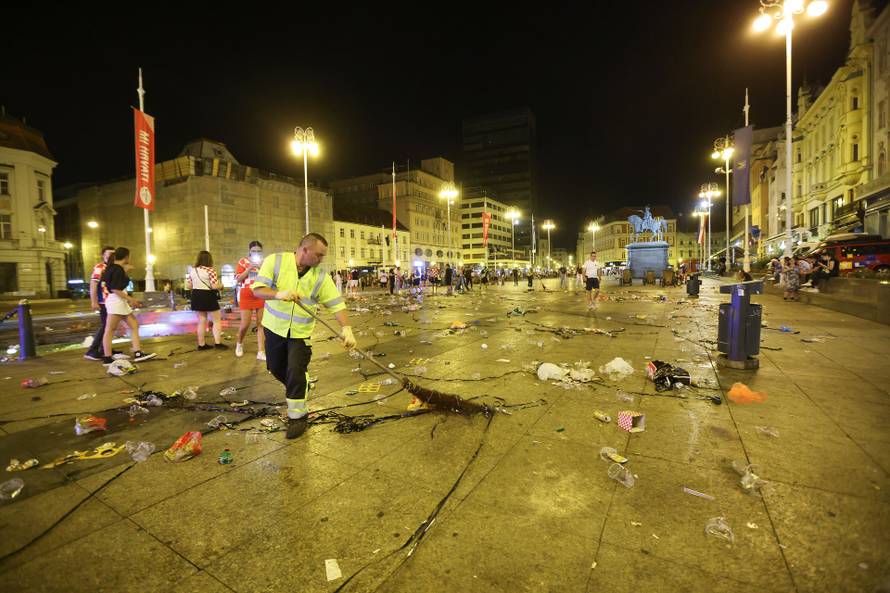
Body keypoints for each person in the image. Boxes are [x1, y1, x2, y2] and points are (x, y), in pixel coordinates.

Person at [251, 233, 355, 439]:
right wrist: (278, 294)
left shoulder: (319, 276)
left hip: (300, 334)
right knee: (275, 367)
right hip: (274, 329)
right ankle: (301, 384)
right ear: (304, 250)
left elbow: (336, 304)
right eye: (318, 255)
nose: (321, 260)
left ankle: (298, 417)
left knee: (295, 369)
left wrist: (346, 328)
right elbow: (258, 290)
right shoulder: (275, 261)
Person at [99, 247, 156, 364]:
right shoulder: (117, 269)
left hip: (117, 301)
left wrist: (125, 271)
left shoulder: (111, 267)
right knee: (110, 330)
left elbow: (113, 283)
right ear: (126, 257)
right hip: (117, 301)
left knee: (133, 325)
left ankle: (137, 352)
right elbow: (115, 288)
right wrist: (131, 299)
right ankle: (107, 357)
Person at [84, 246, 126, 361]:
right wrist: (94, 301)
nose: (111, 255)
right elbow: (93, 284)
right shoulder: (100, 267)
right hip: (104, 301)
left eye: (113, 253)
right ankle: (92, 351)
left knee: (109, 326)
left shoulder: (112, 267)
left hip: (111, 301)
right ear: (103, 255)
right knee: (106, 326)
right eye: (108, 254)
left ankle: (105, 350)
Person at [188, 250, 227, 350]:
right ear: (209, 259)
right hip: (208, 295)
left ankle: (201, 344)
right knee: (216, 320)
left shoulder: (193, 270)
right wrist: (221, 286)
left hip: (196, 295)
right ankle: (218, 343)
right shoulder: (210, 270)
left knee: (201, 321)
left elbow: (189, 286)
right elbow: (214, 286)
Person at [235, 241, 265, 360]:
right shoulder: (242, 261)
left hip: (260, 293)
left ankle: (261, 351)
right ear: (249, 251)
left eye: (258, 251)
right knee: (245, 324)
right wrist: (249, 269)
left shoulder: (265, 262)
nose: (256, 253)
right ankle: (239, 343)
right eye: (254, 251)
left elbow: (269, 278)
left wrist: (261, 268)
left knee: (261, 323)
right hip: (246, 294)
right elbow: (238, 279)